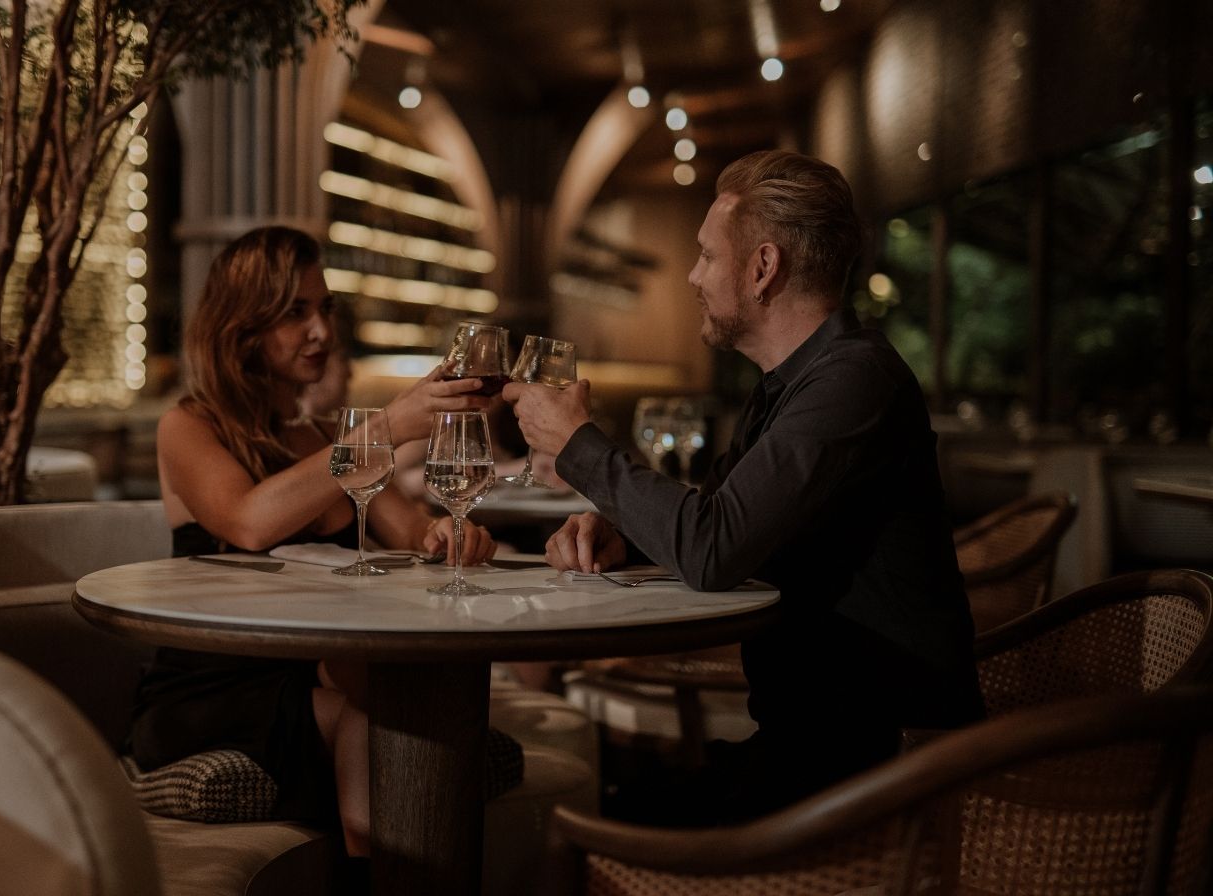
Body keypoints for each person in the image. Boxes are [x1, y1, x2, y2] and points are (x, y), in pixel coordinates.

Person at [504, 150, 984, 822]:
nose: (693, 276)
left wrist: (579, 445)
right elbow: (720, 518)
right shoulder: (787, 388)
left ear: (763, 268)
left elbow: (713, 549)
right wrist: (621, 533)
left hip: (883, 775)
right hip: (815, 748)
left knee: (582, 821)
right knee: (597, 799)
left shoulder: (854, 382)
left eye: (705, 255)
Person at [129, 226, 498, 859]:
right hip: (212, 691)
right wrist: (388, 424)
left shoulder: (323, 437)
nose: (321, 330)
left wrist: (448, 534)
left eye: (324, 307)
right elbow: (249, 521)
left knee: (404, 713)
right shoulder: (188, 426)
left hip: (311, 676)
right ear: (243, 326)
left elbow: (408, 530)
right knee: (378, 728)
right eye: (295, 312)